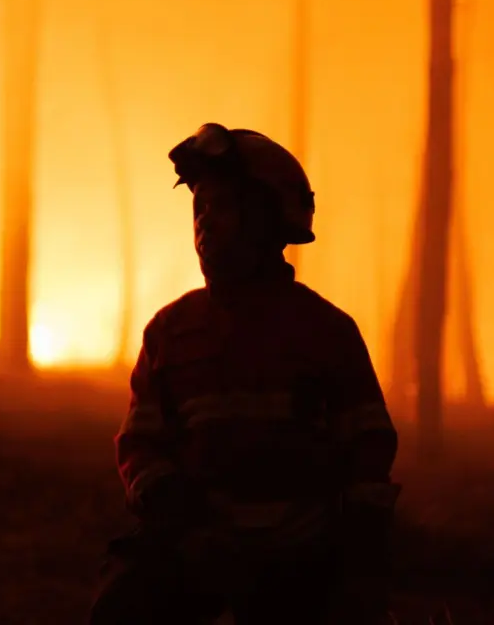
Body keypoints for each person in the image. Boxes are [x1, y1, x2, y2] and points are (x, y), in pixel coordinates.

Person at [89, 123, 400, 625]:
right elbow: (141, 443)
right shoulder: (168, 333)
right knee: (120, 605)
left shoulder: (327, 333)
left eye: (222, 206)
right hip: (194, 550)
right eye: (199, 208)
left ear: (267, 220)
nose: (205, 222)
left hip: (305, 564)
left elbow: (369, 445)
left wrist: (357, 556)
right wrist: (181, 522)